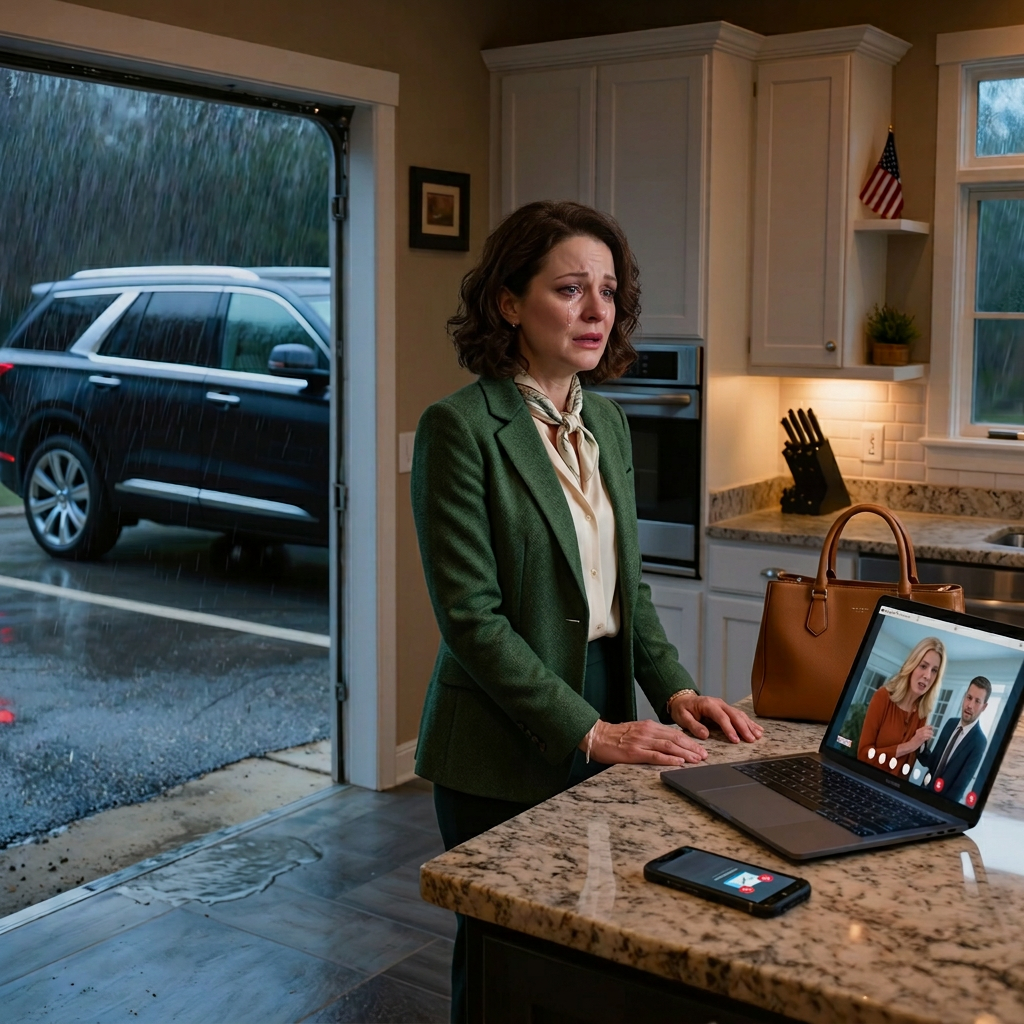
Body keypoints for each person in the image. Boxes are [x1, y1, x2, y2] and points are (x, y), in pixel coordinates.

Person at [411, 200, 763, 1022]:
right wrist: (592, 731)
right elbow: (472, 620)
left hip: (601, 696)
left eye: (608, 290)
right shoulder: (459, 429)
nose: (597, 311)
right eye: (570, 288)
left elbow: (624, 590)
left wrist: (672, 689)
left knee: (587, 939)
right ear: (508, 302)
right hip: (502, 733)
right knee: (506, 957)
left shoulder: (605, 420)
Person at [857, 637, 946, 777]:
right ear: (912, 665)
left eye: (934, 670)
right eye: (923, 666)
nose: (928, 676)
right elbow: (863, 755)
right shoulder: (883, 697)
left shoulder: (922, 713)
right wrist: (910, 746)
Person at [918, 676, 990, 803]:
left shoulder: (979, 742)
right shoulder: (950, 723)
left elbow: (959, 788)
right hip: (922, 793)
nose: (970, 705)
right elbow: (932, 762)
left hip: (940, 807)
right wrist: (920, 744)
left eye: (977, 701)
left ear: (984, 707)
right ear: (964, 697)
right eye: (969, 698)